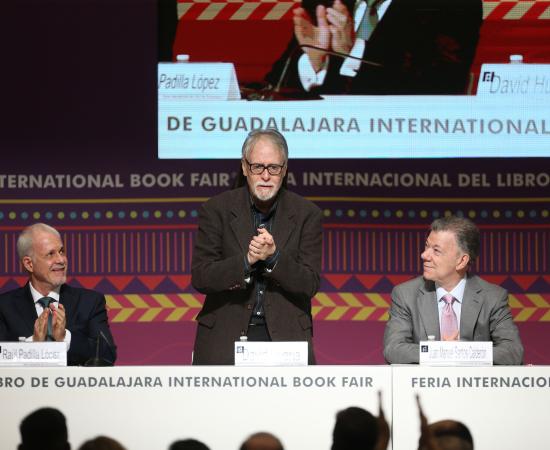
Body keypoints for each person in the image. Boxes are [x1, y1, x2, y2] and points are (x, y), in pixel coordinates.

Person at [191, 128, 322, 365]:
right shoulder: (216, 210)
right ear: (244, 167)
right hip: (224, 337)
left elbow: (309, 283)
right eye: (257, 167)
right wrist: (246, 261)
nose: (265, 176)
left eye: (274, 168)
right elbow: (202, 277)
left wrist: (274, 258)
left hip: (286, 339)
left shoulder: (307, 214)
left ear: (284, 169)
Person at [383, 216, 524, 365]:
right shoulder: (405, 295)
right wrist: (441, 352)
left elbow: (513, 351)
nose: (424, 255)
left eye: (436, 250)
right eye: (426, 246)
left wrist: (460, 352)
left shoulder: (493, 297)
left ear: (461, 261)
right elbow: (394, 349)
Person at [265, 0, 483, 95]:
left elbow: (440, 83)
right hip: (319, 148)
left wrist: (354, 51)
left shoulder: (453, 6)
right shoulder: (325, 3)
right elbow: (274, 87)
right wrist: (315, 62)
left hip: (401, 154)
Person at [0, 223, 117, 366]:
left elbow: (107, 355)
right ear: (29, 264)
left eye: (61, 252)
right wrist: (33, 344)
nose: (61, 260)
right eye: (50, 254)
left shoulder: (90, 302)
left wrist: (64, 338)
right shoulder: (4, 307)